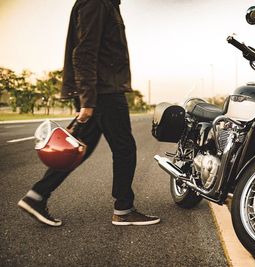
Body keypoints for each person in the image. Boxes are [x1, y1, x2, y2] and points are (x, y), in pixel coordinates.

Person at [18, 0, 160, 226]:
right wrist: (87, 100)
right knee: (125, 148)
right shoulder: (97, 3)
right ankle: (124, 208)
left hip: (100, 90)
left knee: (78, 149)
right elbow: (83, 52)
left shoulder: (105, 4)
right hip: (104, 91)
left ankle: (37, 196)